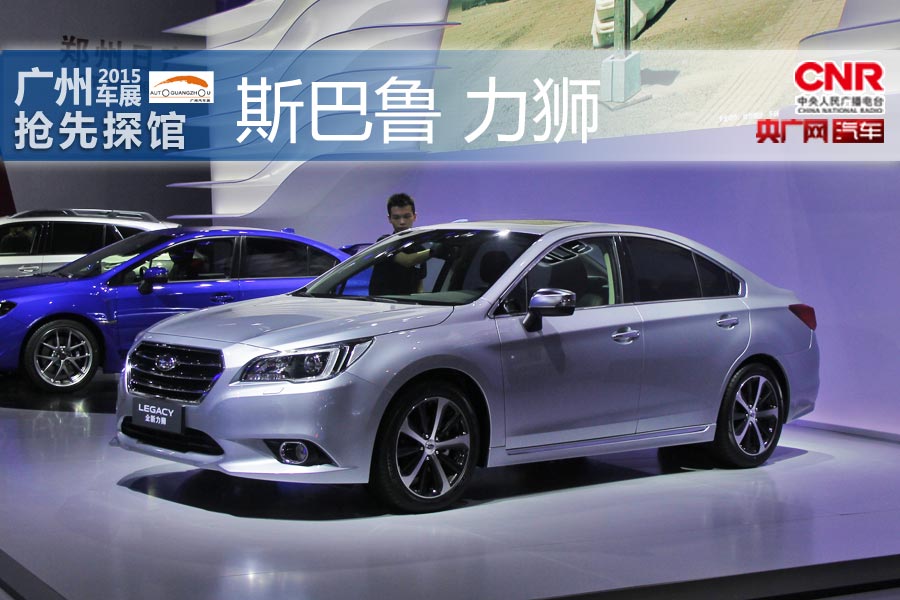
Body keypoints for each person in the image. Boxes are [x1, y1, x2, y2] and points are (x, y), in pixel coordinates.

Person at [369, 193, 429, 295]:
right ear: (389, 219)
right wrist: (436, 250)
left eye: (406, 216)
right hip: (383, 303)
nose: (402, 222)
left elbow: (419, 287)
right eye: (396, 217)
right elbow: (407, 260)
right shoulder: (384, 242)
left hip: (410, 304)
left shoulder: (420, 250)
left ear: (414, 217)